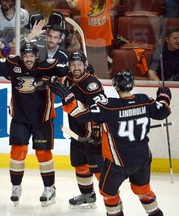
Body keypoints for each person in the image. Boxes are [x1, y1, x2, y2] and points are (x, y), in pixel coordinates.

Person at [0, 40, 69, 207]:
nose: (28, 59)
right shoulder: (13, 64)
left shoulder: (48, 66)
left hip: (43, 119)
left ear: (36, 56)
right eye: (25, 55)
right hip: (20, 119)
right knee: (17, 152)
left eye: (31, 56)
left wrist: (53, 81)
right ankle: (16, 187)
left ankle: (49, 188)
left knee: (43, 154)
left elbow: (69, 74)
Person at [50, 69, 171, 216]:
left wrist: (68, 97)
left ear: (115, 86)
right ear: (132, 84)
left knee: (107, 193)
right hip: (143, 159)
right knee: (143, 190)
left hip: (119, 163)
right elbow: (163, 111)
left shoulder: (109, 106)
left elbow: (80, 115)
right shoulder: (145, 100)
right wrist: (164, 96)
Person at [56, 51, 106, 208]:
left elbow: (100, 108)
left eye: (79, 64)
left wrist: (97, 129)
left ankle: (112, 200)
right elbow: (55, 79)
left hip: (92, 134)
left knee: (98, 169)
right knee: (80, 164)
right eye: (73, 64)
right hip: (76, 133)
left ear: (85, 65)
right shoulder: (68, 80)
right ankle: (87, 195)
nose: (76, 67)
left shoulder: (92, 84)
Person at [66, 0, 120, 79]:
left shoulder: (107, 1)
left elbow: (115, 2)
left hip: (102, 41)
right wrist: (69, 2)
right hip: (87, 41)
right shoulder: (83, 1)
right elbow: (73, 5)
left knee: (101, 71)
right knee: (86, 69)